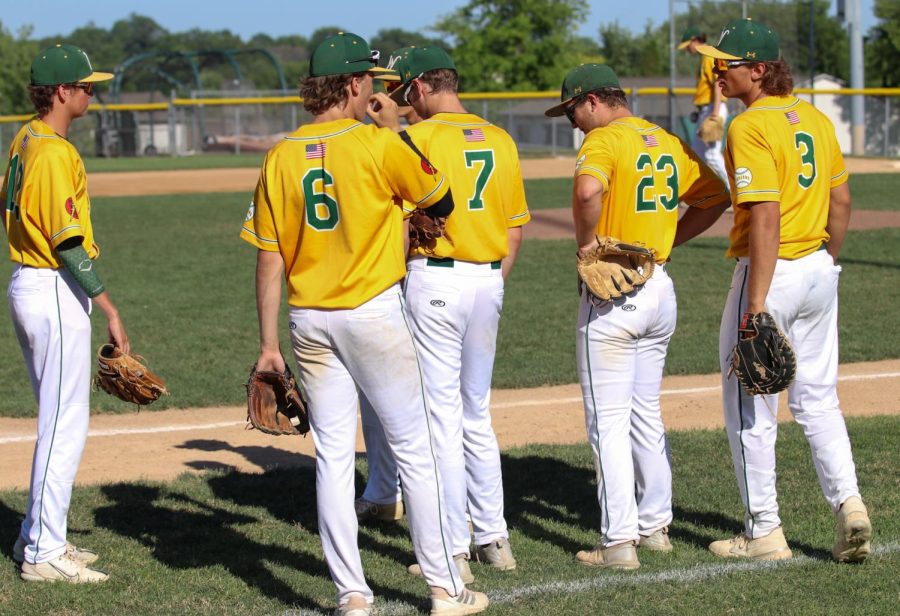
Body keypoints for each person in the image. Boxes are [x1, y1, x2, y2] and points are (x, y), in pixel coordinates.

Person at [239, 33, 488, 615]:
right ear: (353, 85)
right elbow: (442, 197)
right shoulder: (378, 144)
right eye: (371, 82)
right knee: (415, 450)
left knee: (331, 454)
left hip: (307, 321)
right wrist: (395, 128)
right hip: (372, 314)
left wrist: (268, 345)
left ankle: (352, 594)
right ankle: (445, 589)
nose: (376, 90)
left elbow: (268, 255)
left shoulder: (280, 155)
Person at [673, 18, 872, 563]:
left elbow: (763, 214)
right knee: (819, 401)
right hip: (817, 271)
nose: (716, 70)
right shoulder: (812, 117)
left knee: (749, 408)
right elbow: (843, 202)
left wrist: (755, 303)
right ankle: (849, 504)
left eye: (727, 63)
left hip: (771, 273)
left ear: (758, 70)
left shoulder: (750, 126)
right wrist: (827, 263)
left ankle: (764, 531)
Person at [544, 64, 730, 569]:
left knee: (608, 420)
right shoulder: (666, 140)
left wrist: (587, 248)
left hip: (612, 296)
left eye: (573, 112)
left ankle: (619, 542)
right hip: (659, 287)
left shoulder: (605, 140)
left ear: (593, 102)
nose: (574, 123)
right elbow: (716, 197)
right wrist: (666, 246)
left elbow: (587, 193)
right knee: (646, 412)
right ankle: (656, 528)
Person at [358, 45, 530, 583]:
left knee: (439, 419)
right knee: (475, 412)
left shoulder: (415, 138)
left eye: (405, 92)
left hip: (435, 279)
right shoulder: (499, 138)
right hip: (487, 280)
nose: (402, 103)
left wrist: (390, 132)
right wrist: (491, 284)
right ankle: (494, 539)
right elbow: (516, 226)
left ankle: (453, 549)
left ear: (420, 88)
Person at [3, 44, 129, 583]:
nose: (91, 93)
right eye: (85, 86)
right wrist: (109, 306)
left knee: (57, 418)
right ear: (61, 92)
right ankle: (43, 554)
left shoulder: (26, 136)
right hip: (53, 288)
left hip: (31, 285)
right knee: (62, 424)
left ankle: (39, 535)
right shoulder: (53, 151)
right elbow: (68, 243)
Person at [678, 26, 729, 184]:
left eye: (688, 44)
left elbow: (719, 82)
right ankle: (699, 193)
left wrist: (714, 112)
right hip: (706, 109)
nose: (687, 48)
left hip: (714, 108)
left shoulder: (709, 56)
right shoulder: (705, 57)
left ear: (695, 40)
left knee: (712, 155)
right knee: (697, 153)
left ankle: (736, 192)